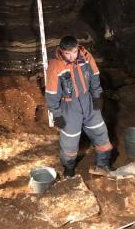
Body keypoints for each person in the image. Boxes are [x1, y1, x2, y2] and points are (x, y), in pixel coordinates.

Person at [45, 36, 113, 178]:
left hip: (87, 100)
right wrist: (56, 113)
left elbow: (95, 75)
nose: (72, 56)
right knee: (70, 141)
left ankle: (103, 164)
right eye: (67, 53)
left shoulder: (86, 57)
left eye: (74, 52)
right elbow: (52, 93)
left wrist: (96, 95)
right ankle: (69, 169)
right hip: (69, 106)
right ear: (62, 51)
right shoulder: (55, 66)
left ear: (78, 48)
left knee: (100, 132)